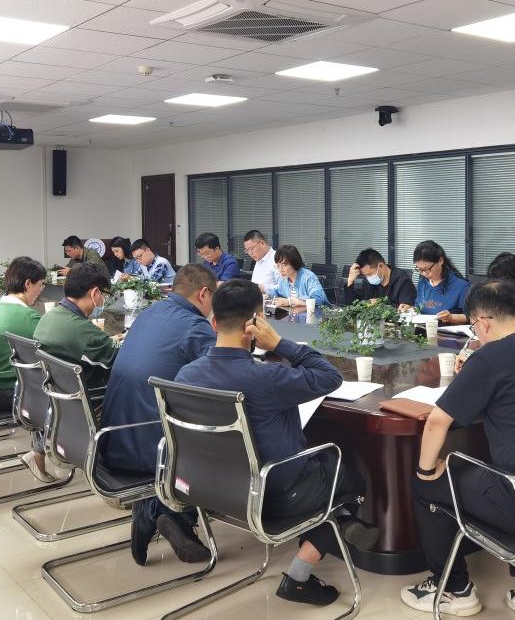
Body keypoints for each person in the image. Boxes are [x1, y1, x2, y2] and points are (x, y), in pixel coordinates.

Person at [175, 279, 375, 606]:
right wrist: (281, 343)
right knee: (350, 478)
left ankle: (338, 526)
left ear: (213, 323)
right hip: (273, 495)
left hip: (210, 489)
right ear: (255, 325)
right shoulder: (265, 377)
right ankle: (300, 575)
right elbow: (330, 377)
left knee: (324, 473)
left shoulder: (185, 375)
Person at [400, 281, 515, 619]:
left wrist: (426, 471)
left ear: (482, 322)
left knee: (426, 485)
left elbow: (437, 422)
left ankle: (453, 589)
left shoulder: (489, 357)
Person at [102, 264, 217, 566]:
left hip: (112, 438)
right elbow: (224, 374)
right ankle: (167, 513)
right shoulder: (195, 326)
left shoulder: (149, 313)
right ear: (204, 294)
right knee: (224, 436)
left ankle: (158, 513)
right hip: (153, 450)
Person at [33, 262, 119, 395]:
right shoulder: (87, 333)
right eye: (105, 295)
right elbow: (121, 358)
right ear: (95, 293)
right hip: (92, 398)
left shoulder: (47, 317)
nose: (104, 300)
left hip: (57, 396)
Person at [0, 256, 44, 419]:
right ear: (28, 283)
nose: (41, 290)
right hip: (9, 393)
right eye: (40, 285)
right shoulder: (28, 317)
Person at [402, 240, 470, 325]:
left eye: (427, 269)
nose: (424, 274)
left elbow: (470, 317)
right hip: (423, 330)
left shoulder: (461, 286)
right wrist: (410, 309)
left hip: (446, 331)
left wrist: (451, 317)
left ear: (440, 260)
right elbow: (420, 308)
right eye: (420, 270)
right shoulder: (422, 283)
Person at [345, 248, 416, 308]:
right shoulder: (368, 282)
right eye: (365, 275)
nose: (368, 278)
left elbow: (406, 309)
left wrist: (380, 305)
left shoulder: (403, 282)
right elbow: (353, 306)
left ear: (381, 266)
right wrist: (350, 281)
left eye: (369, 274)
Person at [243, 230, 280, 295]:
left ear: (262, 243)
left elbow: (284, 289)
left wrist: (263, 288)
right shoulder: (259, 259)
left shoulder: (278, 259)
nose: (250, 253)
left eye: (252, 248)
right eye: (247, 250)